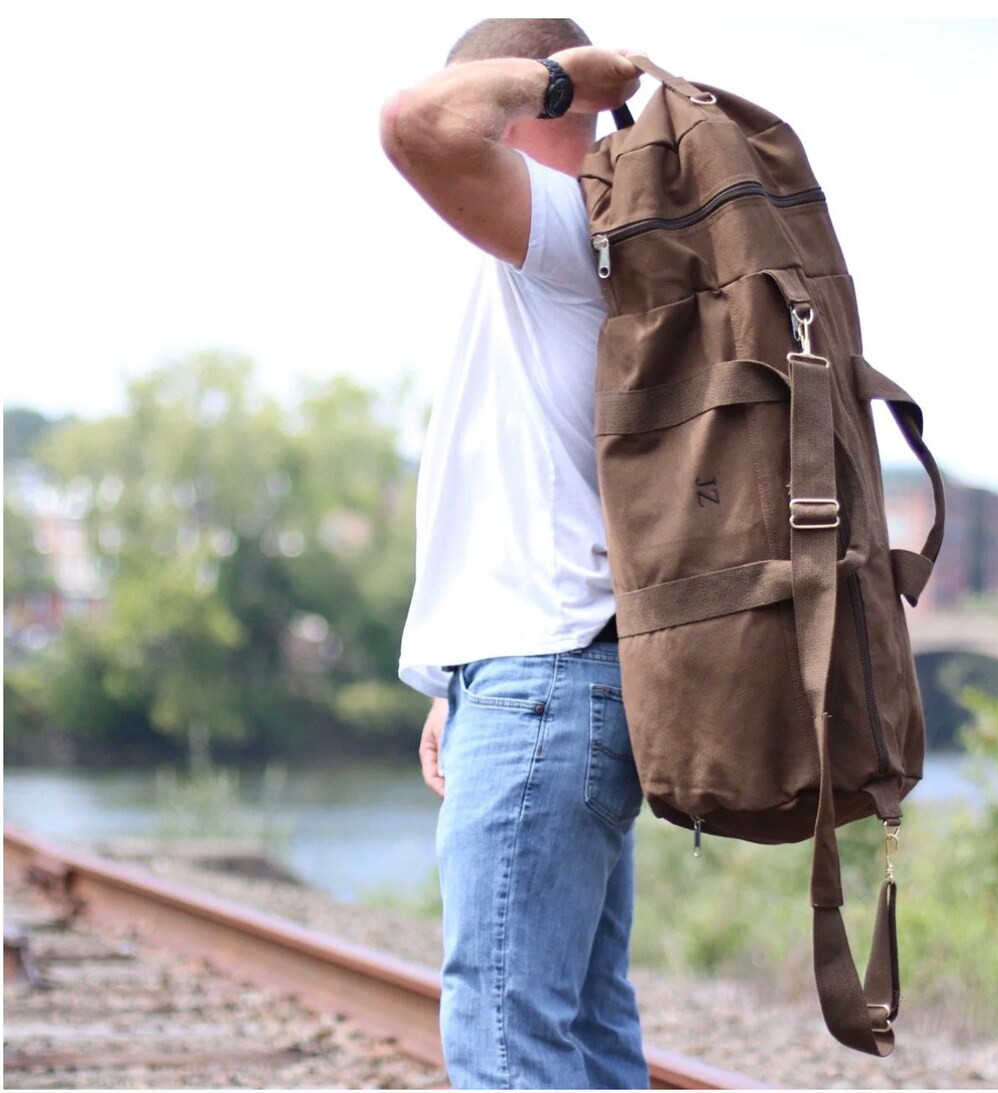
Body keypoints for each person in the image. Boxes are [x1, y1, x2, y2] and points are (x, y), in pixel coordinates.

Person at [380, 19, 647, 1090]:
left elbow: (412, 124)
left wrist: (559, 83)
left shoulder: (568, 224)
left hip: (546, 682)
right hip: (546, 671)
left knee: (505, 1041)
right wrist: (461, 674)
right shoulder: (572, 248)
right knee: (579, 1028)